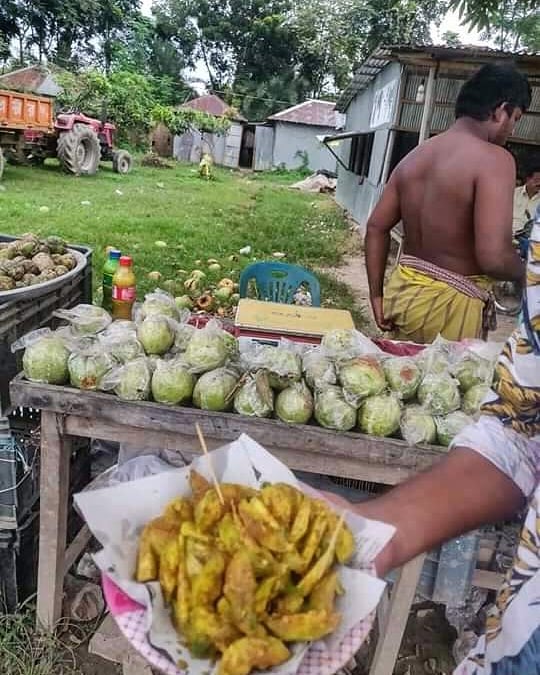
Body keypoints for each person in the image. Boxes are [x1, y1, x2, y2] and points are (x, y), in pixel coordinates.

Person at [326, 205, 540, 673]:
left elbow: (379, 224)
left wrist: (380, 296)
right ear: (501, 122)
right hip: (518, 647)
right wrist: (377, 532)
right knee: (425, 375)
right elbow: (522, 424)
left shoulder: (431, 163)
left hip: (415, 293)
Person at [365, 63, 530, 343]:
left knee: (400, 379)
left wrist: (377, 295)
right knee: (443, 385)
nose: (512, 129)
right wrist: (530, 272)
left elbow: (375, 228)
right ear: (500, 110)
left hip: (403, 296)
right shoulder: (494, 159)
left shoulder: (415, 157)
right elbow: (494, 258)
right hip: (448, 312)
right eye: (515, 118)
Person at [513, 161, 540, 233]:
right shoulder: (513, 193)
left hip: (531, 239)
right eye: (537, 180)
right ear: (528, 179)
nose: (539, 183)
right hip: (509, 236)